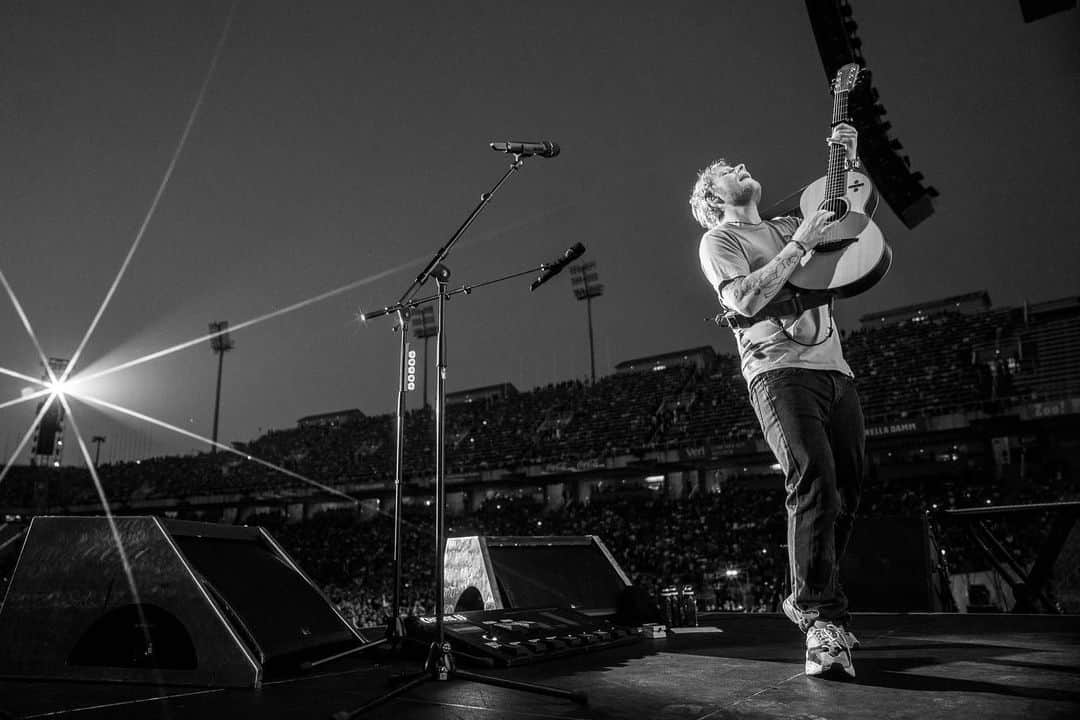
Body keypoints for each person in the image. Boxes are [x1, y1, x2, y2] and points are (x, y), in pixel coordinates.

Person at [689, 123, 865, 678]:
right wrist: (800, 242)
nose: (741, 166)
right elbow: (741, 299)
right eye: (727, 170)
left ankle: (810, 596)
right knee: (813, 476)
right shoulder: (720, 241)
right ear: (715, 199)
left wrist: (846, 158)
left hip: (835, 368)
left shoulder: (791, 222)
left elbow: (848, 215)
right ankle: (820, 621)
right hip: (778, 371)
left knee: (848, 485)